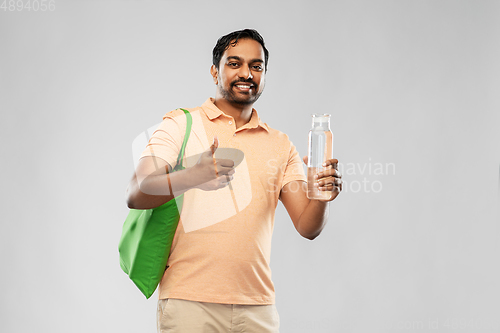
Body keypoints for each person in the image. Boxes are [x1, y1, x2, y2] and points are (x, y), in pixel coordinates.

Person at [125, 28, 343, 333]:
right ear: (215, 71)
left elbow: (308, 227)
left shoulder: (280, 144)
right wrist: (192, 176)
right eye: (234, 63)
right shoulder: (180, 124)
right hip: (190, 303)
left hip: (258, 309)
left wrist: (321, 198)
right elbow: (137, 192)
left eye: (257, 66)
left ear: (265, 75)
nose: (246, 73)